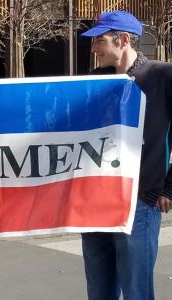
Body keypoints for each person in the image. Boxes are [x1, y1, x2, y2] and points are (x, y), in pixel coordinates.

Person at [80, 10, 172, 300]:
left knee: (137, 291)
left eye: (99, 41)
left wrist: (169, 186)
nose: (94, 48)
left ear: (122, 39)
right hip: (94, 203)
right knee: (99, 291)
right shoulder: (93, 81)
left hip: (139, 203)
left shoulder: (162, 76)